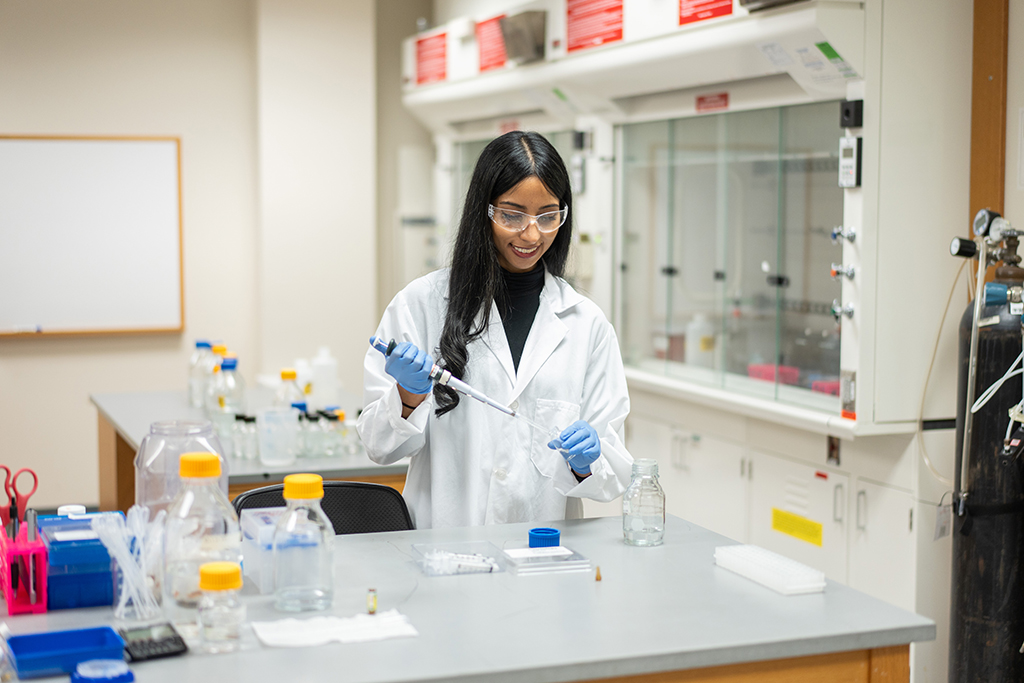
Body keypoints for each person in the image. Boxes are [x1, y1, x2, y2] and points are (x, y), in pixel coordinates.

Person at [357, 131, 633, 529]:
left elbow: (612, 475)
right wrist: (406, 395)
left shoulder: (586, 325)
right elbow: (378, 447)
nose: (532, 234)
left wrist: (589, 461)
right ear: (483, 211)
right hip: (446, 548)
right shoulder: (421, 304)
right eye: (512, 214)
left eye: (548, 215)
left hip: (543, 556)